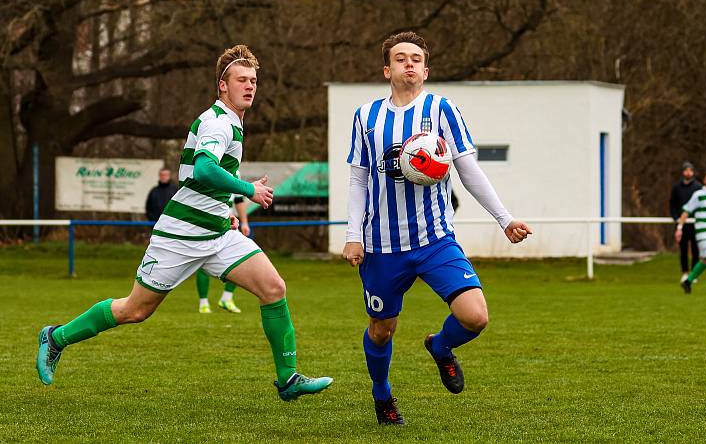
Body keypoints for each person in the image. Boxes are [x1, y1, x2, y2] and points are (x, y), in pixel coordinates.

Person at [37, 44, 333, 401]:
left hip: (218, 234)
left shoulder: (232, 122)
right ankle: (55, 337)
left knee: (274, 289)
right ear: (222, 85)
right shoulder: (218, 121)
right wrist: (247, 190)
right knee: (135, 310)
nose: (250, 86)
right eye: (241, 80)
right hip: (180, 234)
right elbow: (207, 168)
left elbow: (200, 176)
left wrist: (225, 208)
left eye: (253, 80)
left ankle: (288, 380)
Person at [341, 32, 532, 425]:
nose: (408, 64)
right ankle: (383, 397)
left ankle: (441, 347)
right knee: (381, 331)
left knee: (475, 316)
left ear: (425, 70)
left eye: (415, 59)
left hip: (434, 239)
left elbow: (468, 170)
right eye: (400, 58)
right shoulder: (366, 117)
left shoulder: (443, 109)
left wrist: (505, 218)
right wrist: (353, 235)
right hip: (382, 246)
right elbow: (359, 179)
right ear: (387, 69)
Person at [196, 196, 250, 313]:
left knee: (239, 260)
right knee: (202, 261)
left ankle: (227, 298)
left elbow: (239, 200)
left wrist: (245, 223)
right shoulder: (207, 177)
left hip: (230, 226)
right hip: (208, 225)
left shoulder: (236, 176)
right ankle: (203, 303)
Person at [669, 162, 702, 282]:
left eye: (690, 171)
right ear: (683, 172)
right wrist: (676, 219)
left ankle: (694, 274)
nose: (688, 173)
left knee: (695, 249)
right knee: (683, 249)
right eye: (686, 170)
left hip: (694, 223)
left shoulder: (698, 187)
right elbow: (672, 204)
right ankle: (684, 272)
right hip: (681, 223)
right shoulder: (676, 187)